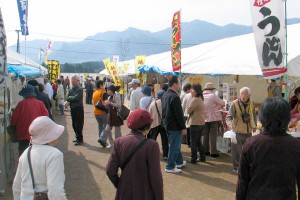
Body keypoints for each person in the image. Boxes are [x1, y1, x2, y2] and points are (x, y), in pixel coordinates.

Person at [236, 97, 300, 200]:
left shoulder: (251, 144)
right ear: (287, 118)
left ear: (262, 117)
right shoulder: (296, 146)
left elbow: (242, 181)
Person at [106, 109, 164, 200]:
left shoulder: (119, 142)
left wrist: (120, 185)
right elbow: (155, 177)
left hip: (124, 192)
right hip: (144, 192)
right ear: (146, 127)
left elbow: (110, 171)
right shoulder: (152, 145)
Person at [13, 116, 67, 200]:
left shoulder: (26, 152)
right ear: (48, 135)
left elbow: (16, 186)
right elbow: (55, 190)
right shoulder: (55, 155)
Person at [10, 84, 49, 156]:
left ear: (24, 95)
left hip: (23, 135)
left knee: (24, 155)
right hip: (38, 135)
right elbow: (46, 117)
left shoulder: (20, 104)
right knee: (38, 156)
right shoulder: (40, 103)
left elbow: (13, 120)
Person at [226, 87, 256, 173]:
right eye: (242, 94)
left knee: (247, 151)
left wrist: (255, 126)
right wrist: (230, 126)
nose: (243, 96)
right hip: (237, 131)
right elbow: (228, 117)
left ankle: (245, 167)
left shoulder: (251, 103)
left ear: (249, 95)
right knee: (237, 151)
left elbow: (253, 115)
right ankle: (236, 167)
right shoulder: (234, 103)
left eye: (245, 94)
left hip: (248, 131)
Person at [162, 75, 186, 173]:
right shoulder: (175, 96)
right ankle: (170, 166)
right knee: (174, 146)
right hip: (174, 125)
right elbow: (179, 114)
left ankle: (179, 161)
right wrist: (183, 127)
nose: (179, 85)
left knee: (174, 145)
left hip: (167, 124)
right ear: (175, 84)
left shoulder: (165, 94)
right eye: (179, 83)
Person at [203, 82, 225, 157]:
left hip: (204, 117)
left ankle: (205, 150)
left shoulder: (202, 96)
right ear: (212, 89)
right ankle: (213, 151)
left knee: (205, 135)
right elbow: (222, 103)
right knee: (213, 135)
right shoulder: (213, 96)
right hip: (213, 117)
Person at [185, 84, 206, 163]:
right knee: (198, 141)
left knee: (193, 142)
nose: (191, 91)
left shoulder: (195, 99)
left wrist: (188, 104)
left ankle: (193, 158)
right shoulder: (200, 98)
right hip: (200, 122)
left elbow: (188, 110)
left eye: (192, 90)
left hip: (195, 122)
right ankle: (202, 157)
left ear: (196, 91)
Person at [148, 90, 169, 160]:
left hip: (154, 124)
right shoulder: (166, 103)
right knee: (165, 140)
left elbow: (149, 114)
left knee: (152, 139)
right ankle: (165, 155)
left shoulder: (153, 103)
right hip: (164, 124)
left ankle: (150, 153)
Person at [67, 75, 84, 146]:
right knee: (74, 124)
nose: (72, 81)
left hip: (78, 108)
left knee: (78, 124)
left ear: (77, 81)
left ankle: (80, 139)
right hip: (73, 108)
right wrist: (71, 97)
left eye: (74, 80)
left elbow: (76, 98)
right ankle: (77, 137)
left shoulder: (80, 89)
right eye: (72, 79)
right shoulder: (71, 89)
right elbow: (67, 97)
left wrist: (70, 98)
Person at [105, 85, 123, 149]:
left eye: (108, 90)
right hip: (110, 115)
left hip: (117, 115)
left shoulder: (117, 96)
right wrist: (106, 104)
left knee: (117, 133)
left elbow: (119, 105)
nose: (107, 91)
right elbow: (108, 106)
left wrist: (110, 103)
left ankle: (118, 145)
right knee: (107, 130)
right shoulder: (109, 97)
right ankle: (111, 143)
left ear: (112, 91)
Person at [93, 80, 109, 148]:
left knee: (100, 126)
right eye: (103, 84)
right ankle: (102, 139)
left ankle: (102, 140)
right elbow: (106, 103)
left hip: (96, 112)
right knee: (106, 126)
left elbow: (94, 102)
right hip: (103, 112)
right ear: (100, 85)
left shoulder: (95, 92)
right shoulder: (103, 92)